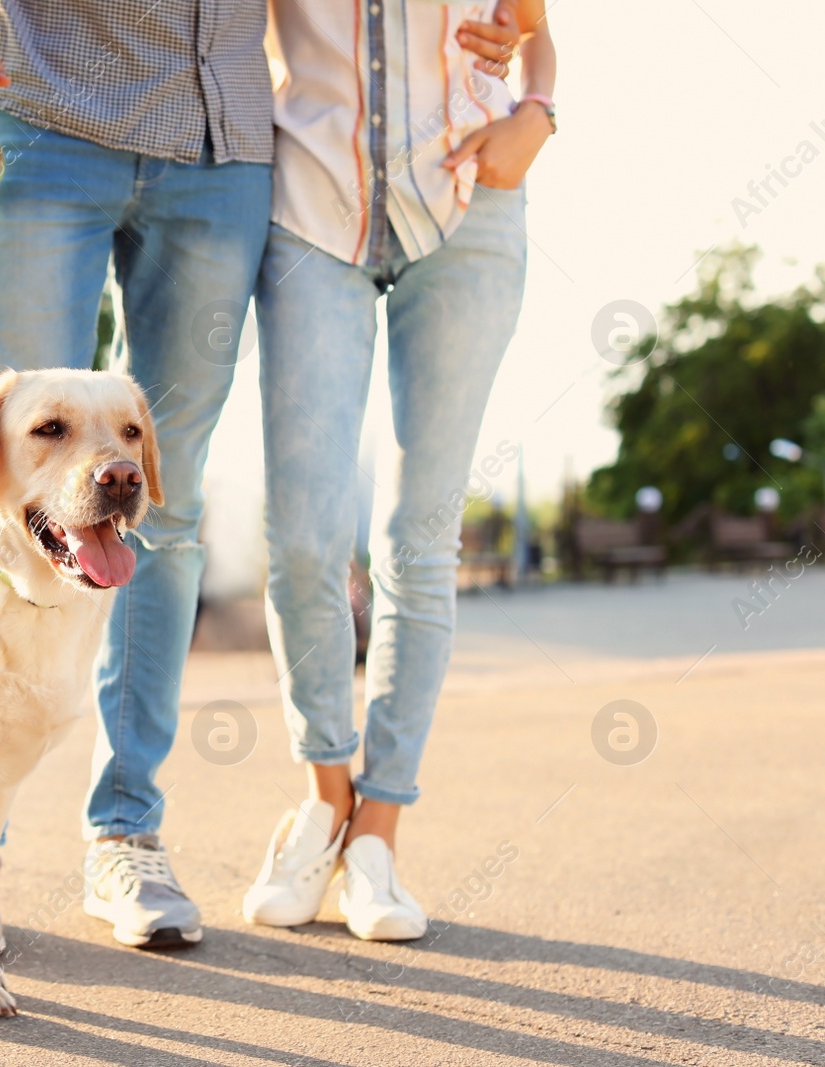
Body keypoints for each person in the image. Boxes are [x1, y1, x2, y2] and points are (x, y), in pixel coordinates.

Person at [0, 0, 522, 952]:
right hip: (40, 112)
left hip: (221, 148)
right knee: (0, 493)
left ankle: (126, 833)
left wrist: (525, 61)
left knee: (164, 507)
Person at [242, 0, 556, 941]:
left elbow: (535, 26)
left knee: (417, 540)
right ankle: (324, 797)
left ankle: (377, 836)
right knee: (301, 538)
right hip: (310, 210)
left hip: (469, 211)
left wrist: (537, 114)